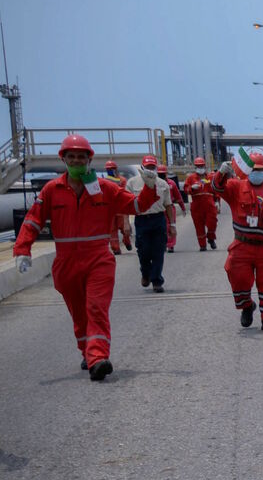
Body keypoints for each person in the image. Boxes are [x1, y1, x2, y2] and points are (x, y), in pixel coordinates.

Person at [12, 135, 160, 380]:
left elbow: (136, 207)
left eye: (82, 157)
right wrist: (21, 250)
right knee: (80, 315)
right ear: (64, 159)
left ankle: (98, 358)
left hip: (98, 259)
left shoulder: (105, 188)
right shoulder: (52, 190)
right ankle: (87, 350)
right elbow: (33, 219)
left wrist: (150, 187)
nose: (77, 161)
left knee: (96, 308)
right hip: (66, 263)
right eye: (72, 157)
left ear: (89, 160)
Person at [211, 151, 263, 332]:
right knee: (238, 277)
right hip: (243, 244)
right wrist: (221, 173)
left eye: (261, 170)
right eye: (255, 169)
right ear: (249, 171)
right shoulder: (235, 187)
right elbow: (217, 188)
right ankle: (247, 306)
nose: (258, 173)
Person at [128, 155, 176, 293]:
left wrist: (172, 225)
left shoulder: (162, 184)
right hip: (142, 221)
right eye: (147, 167)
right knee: (143, 251)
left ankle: (156, 281)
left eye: (152, 167)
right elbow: (125, 204)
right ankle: (145, 273)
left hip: (158, 220)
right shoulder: (132, 183)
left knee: (159, 251)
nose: (150, 170)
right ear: (142, 167)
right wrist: (126, 223)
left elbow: (168, 205)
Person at [184, 156, 219, 251]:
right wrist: (191, 188)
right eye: (198, 166)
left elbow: (216, 190)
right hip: (197, 205)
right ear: (195, 167)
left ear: (205, 166)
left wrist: (217, 202)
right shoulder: (191, 178)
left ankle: (211, 238)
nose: (200, 168)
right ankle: (202, 245)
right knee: (199, 226)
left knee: (212, 223)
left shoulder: (211, 177)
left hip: (210, 204)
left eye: (202, 166)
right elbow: (186, 190)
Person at [101, 160, 133, 255]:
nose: (109, 171)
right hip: (110, 210)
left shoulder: (122, 180)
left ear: (116, 169)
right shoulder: (104, 181)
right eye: (108, 169)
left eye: (111, 169)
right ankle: (116, 249)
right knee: (112, 230)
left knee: (125, 229)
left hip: (120, 209)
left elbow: (124, 194)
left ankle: (126, 241)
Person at [158, 164, 187, 253]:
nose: (161, 176)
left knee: (171, 226)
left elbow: (178, 197)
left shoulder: (171, 184)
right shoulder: (154, 183)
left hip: (169, 208)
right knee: (160, 227)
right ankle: (162, 244)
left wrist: (183, 208)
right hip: (158, 209)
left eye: (163, 174)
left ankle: (170, 245)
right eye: (160, 174)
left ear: (166, 174)